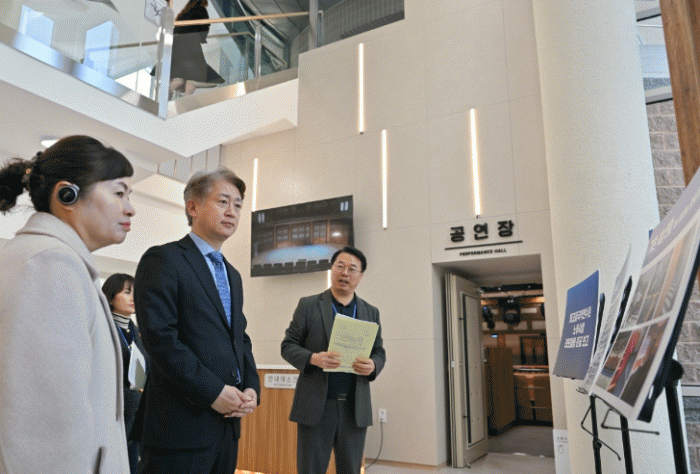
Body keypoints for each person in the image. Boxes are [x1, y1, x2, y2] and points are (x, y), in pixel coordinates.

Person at [0, 135, 135, 473]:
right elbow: (43, 432)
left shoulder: (58, 262)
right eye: (119, 193)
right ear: (67, 195)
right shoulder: (50, 265)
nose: (130, 208)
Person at [134, 167, 259, 474]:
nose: (232, 212)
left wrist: (251, 387)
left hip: (226, 429)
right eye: (223, 202)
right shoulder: (164, 259)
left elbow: (239, 338)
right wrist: (213, 392)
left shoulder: (232, 274)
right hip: (179, 429)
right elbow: (161, 339)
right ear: (193, 207)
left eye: (238, 205)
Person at [281, 246, 386, 474]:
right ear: (332, 269)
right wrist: (313, 358)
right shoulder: (308, 305)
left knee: (350, 469)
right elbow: (288, 346)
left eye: (352, 269)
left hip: (354, 409)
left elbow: (379, 351)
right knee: (310, 469)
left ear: (360, 276)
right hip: (316, 407)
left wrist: (373, 365)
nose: (345, 272)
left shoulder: (370, 312)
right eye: (340, 266)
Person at [102, 273, 147, 474]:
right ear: (111, 297)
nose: (133, 298)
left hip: (135, 418)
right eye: (127, 292)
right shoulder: (102, 329)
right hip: (111, 414)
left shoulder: (138, 333)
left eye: (135, 293)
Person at [168, 0, 224, 96]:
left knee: (187, 78)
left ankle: (170, 92)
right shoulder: (200, 10)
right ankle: (177, 94)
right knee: (193, 78)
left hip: (179, 44)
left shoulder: (185, 12)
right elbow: (205, 26)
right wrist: (202, 38)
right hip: (189, 43)